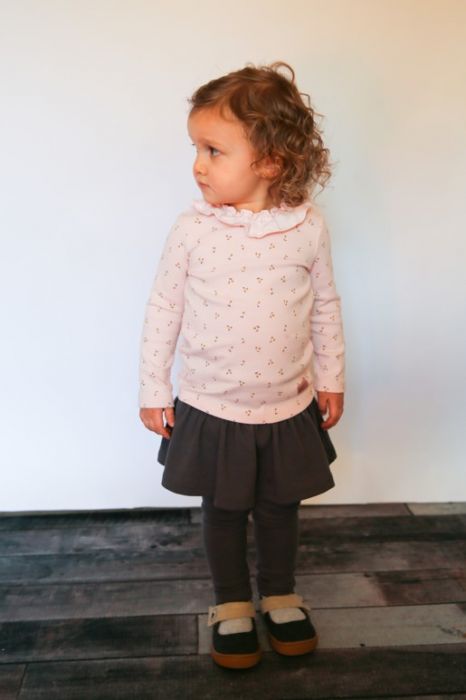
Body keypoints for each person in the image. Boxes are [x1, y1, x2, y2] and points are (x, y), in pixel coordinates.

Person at [139, 61, 345, 670]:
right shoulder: (192, 231)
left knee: (281, 507)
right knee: (225, 509)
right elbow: (163, 308)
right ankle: (231, 602)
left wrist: (332, 378)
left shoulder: (307, 228)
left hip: (287, 404)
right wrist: (154, 388)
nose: (198, 166)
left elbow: (325, 306)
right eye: (196, 149)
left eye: (213, 150)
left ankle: (279, 594)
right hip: (212, 404)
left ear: (271, 162)